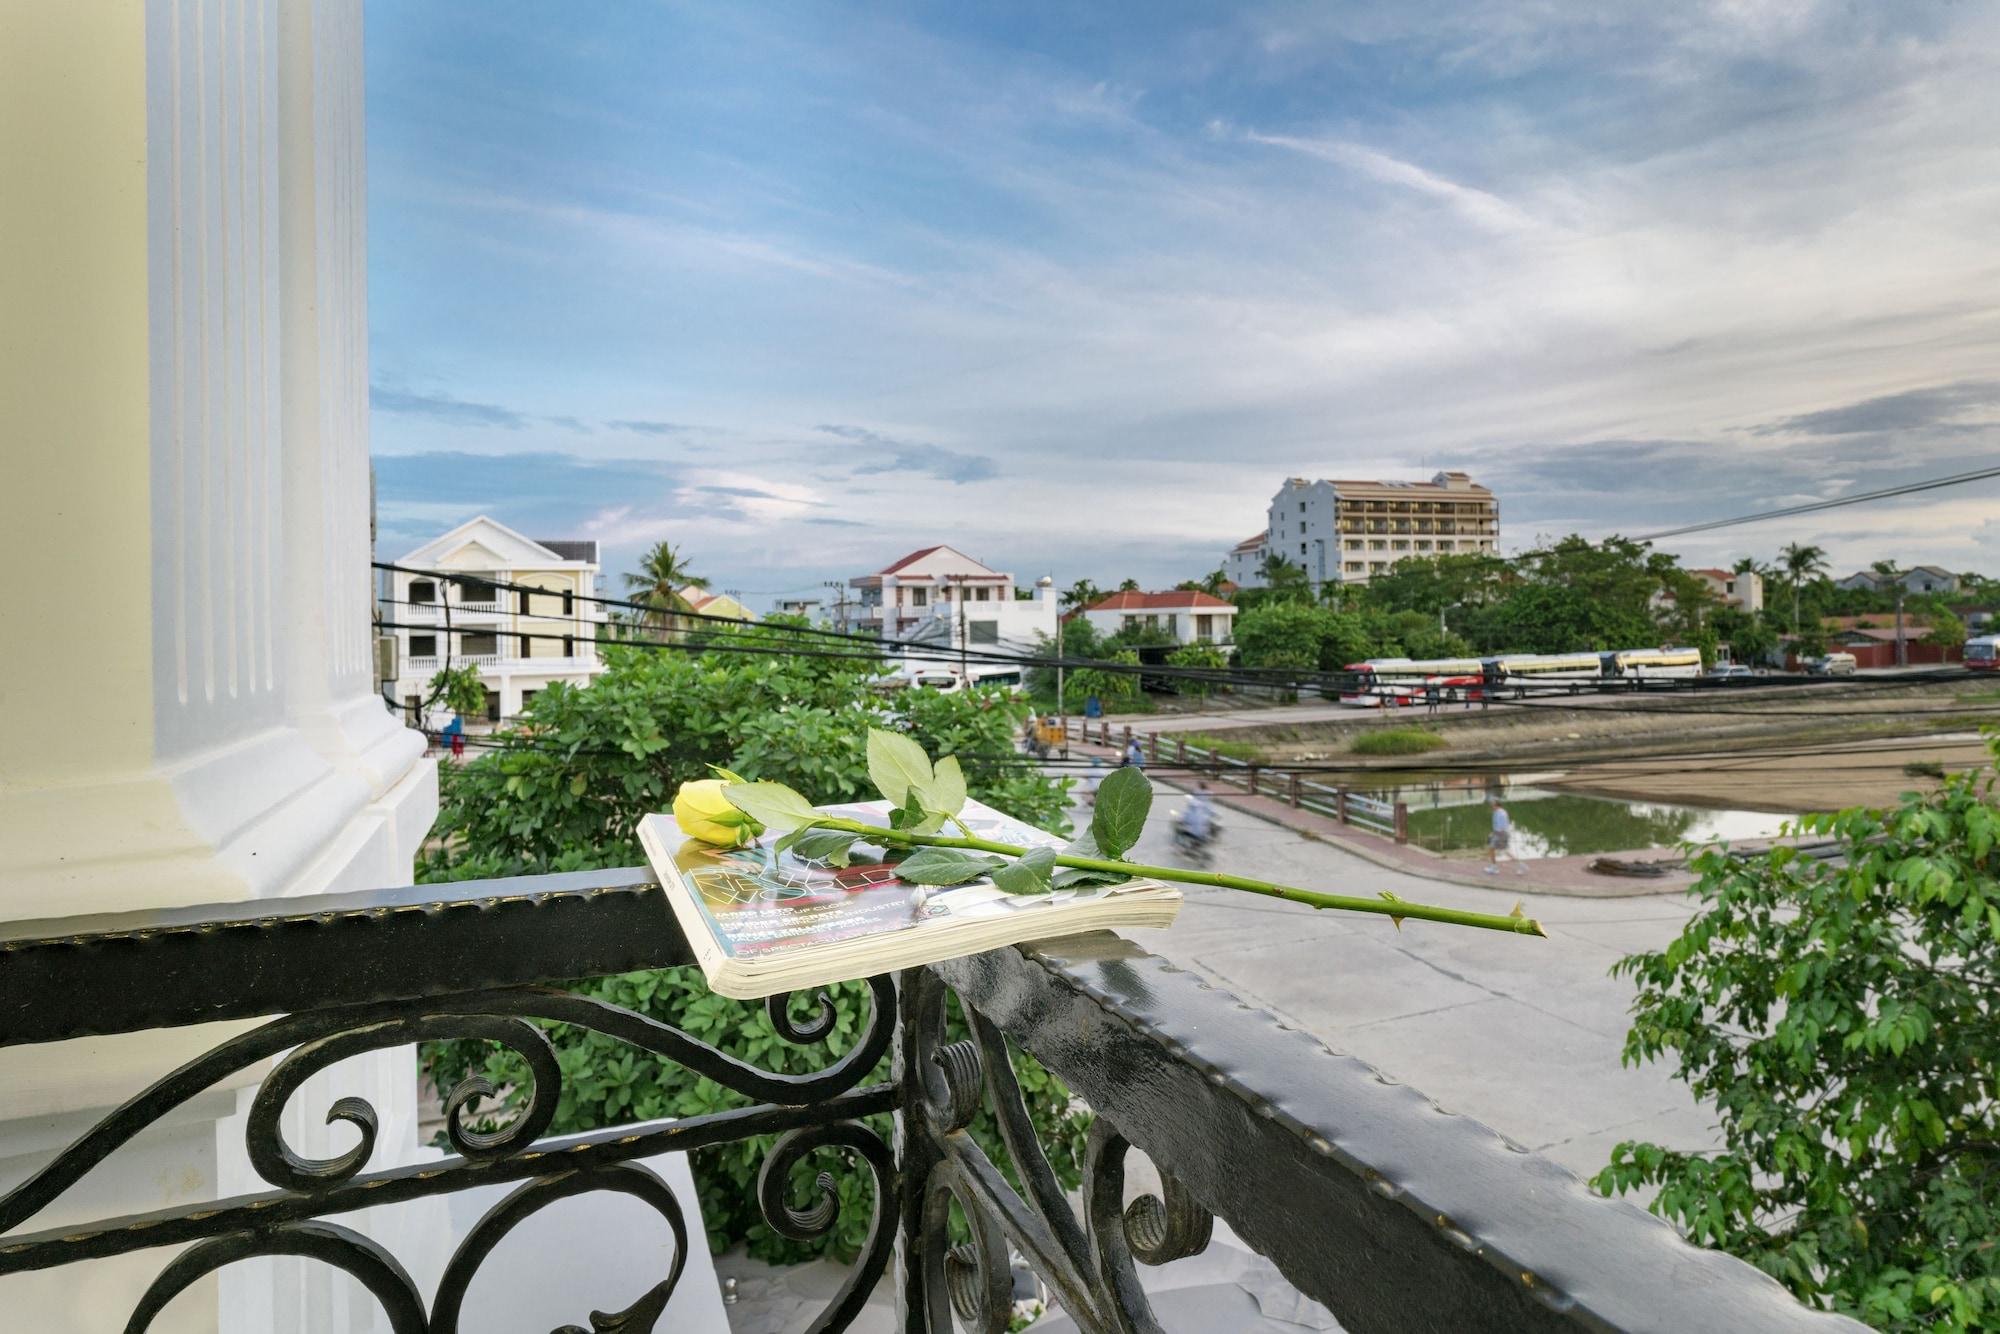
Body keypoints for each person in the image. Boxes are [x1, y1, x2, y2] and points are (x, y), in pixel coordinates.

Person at [1485, 797, 1525, 875]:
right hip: (1500, 834)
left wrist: (1493, 834)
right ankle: (1494, 867)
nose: (1491, 805)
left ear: (1497, 805)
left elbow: (1500, 828)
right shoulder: (1498, 812)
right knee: (1494, 849)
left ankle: (1520, 866)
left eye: (1493, 804)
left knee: (1501, 850)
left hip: (1501, 835)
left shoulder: (1501, 814)